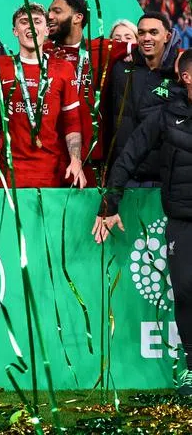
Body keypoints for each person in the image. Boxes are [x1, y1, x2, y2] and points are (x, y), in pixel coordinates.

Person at [92, 51, 192, 396]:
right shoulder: (166, 116)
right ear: (189, 78)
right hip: (182, 220)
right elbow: (130, 154)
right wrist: (109, 202)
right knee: (186, 291)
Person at [0, 4, 84, 188]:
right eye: (23, 22)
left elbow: (72, 122)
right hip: (8, 173)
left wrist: (76, 161)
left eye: (37, 21)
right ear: (15, 31)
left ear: (46, 30)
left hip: (49, 173)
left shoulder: (63, 69)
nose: (30, 26)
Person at [44, 0, 132, 186]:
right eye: (49, 11)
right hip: (49, 158)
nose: (49, 16)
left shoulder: (103, 48)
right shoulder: (42, 52)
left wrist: (179, 60)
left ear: (78, 17)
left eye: (57, 11)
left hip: (91, 158)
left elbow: (154, 48)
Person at [106, 11, 182, 187]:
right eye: (141, 33)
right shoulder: (120, 67)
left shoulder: (179, 73)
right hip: (125, 176)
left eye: (153, 32)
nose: (146, 37)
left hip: (165, 179)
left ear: (167, 36)